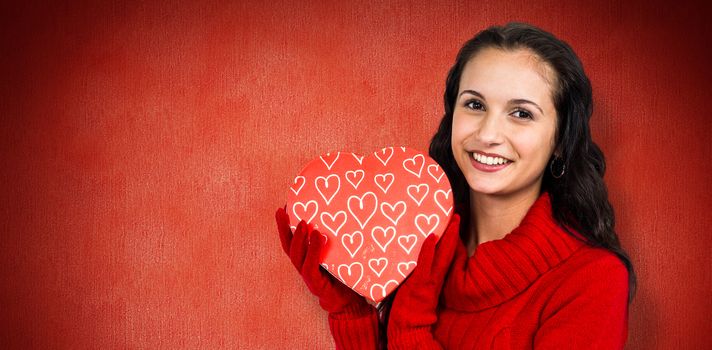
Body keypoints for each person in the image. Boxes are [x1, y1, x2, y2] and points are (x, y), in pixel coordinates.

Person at [275, 22, 635, 349]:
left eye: (521, 113)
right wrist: (354, 316)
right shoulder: (402, 248)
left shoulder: (593, 280)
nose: (488, 134)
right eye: (475, 105)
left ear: (560, 140)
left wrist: (411, 332)